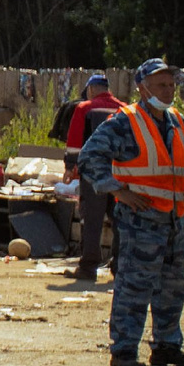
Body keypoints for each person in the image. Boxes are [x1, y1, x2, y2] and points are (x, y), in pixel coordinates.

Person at [76, 58, 184, 366]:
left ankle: (167, 347)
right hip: (140, 223)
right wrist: (118, 191)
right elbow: (89, 157)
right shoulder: (125, 123)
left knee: (171, 290)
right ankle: (124, 351)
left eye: (171, 84)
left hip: (172, 221)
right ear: (143, 88)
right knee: (133, 287)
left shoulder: (178, 122)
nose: (169, 90)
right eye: (161, 85)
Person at [61, 72, 127, 281]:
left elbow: (74, 143)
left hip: (93, 175)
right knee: (120, 222)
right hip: (120, 173)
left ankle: (88, 268)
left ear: (90, 89)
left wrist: (70, 168)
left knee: (92, 221)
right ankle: (120, 268)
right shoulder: (125, 110)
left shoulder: (84, 108)